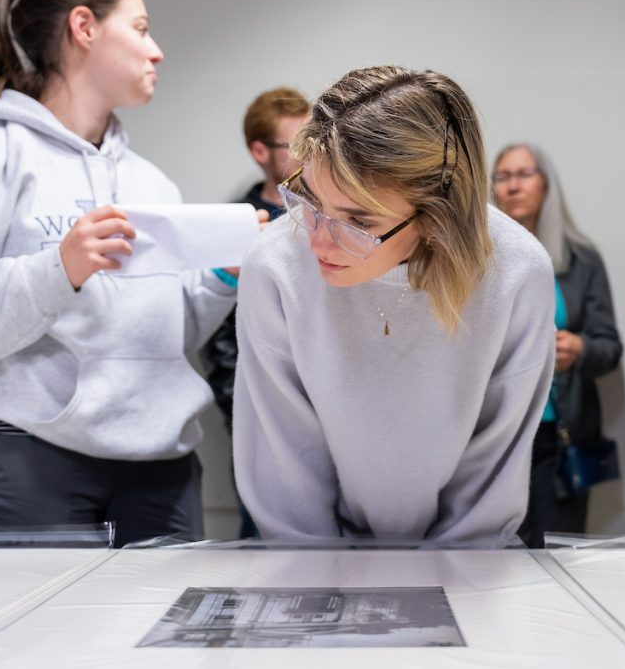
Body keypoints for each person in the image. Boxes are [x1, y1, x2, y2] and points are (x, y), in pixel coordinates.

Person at [0, 0, 239, 547]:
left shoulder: (151, 181)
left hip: (161, 471)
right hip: (21, 460)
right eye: (141, 28)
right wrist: (57, 270)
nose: (157, 51)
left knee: (161, 636)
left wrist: (222, 281)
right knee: (13, 639)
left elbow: (166, 336)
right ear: (84, 27)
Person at [232, 66, 556, 544]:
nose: (319, 242)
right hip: (312, 564)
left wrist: (451, 590)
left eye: (357, 220)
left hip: (470, 566)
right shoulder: (275, 267)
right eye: (310, 201)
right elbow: (288, 466)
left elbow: (491, 474)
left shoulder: (517, 271)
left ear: (437, 211)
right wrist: (319, 593)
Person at [491, 143, 622, 548]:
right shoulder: (475, 259)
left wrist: (578, 349)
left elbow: (610, 348)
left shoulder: (581, 259)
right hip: (498, 435)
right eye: (502, 176)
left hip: (560, 438)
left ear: (547, 185)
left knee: (554, 557)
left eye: (524, 174)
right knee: (494, 561)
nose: (513, 186)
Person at [201, 87, 309, 539]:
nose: (309, 154)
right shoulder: (234, 228)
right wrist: (246, 406)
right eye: (296, 144)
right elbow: (219, 334)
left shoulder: (338, 215)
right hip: (261, 423)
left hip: (335, 415)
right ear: (259, 151)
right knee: (263, 551)